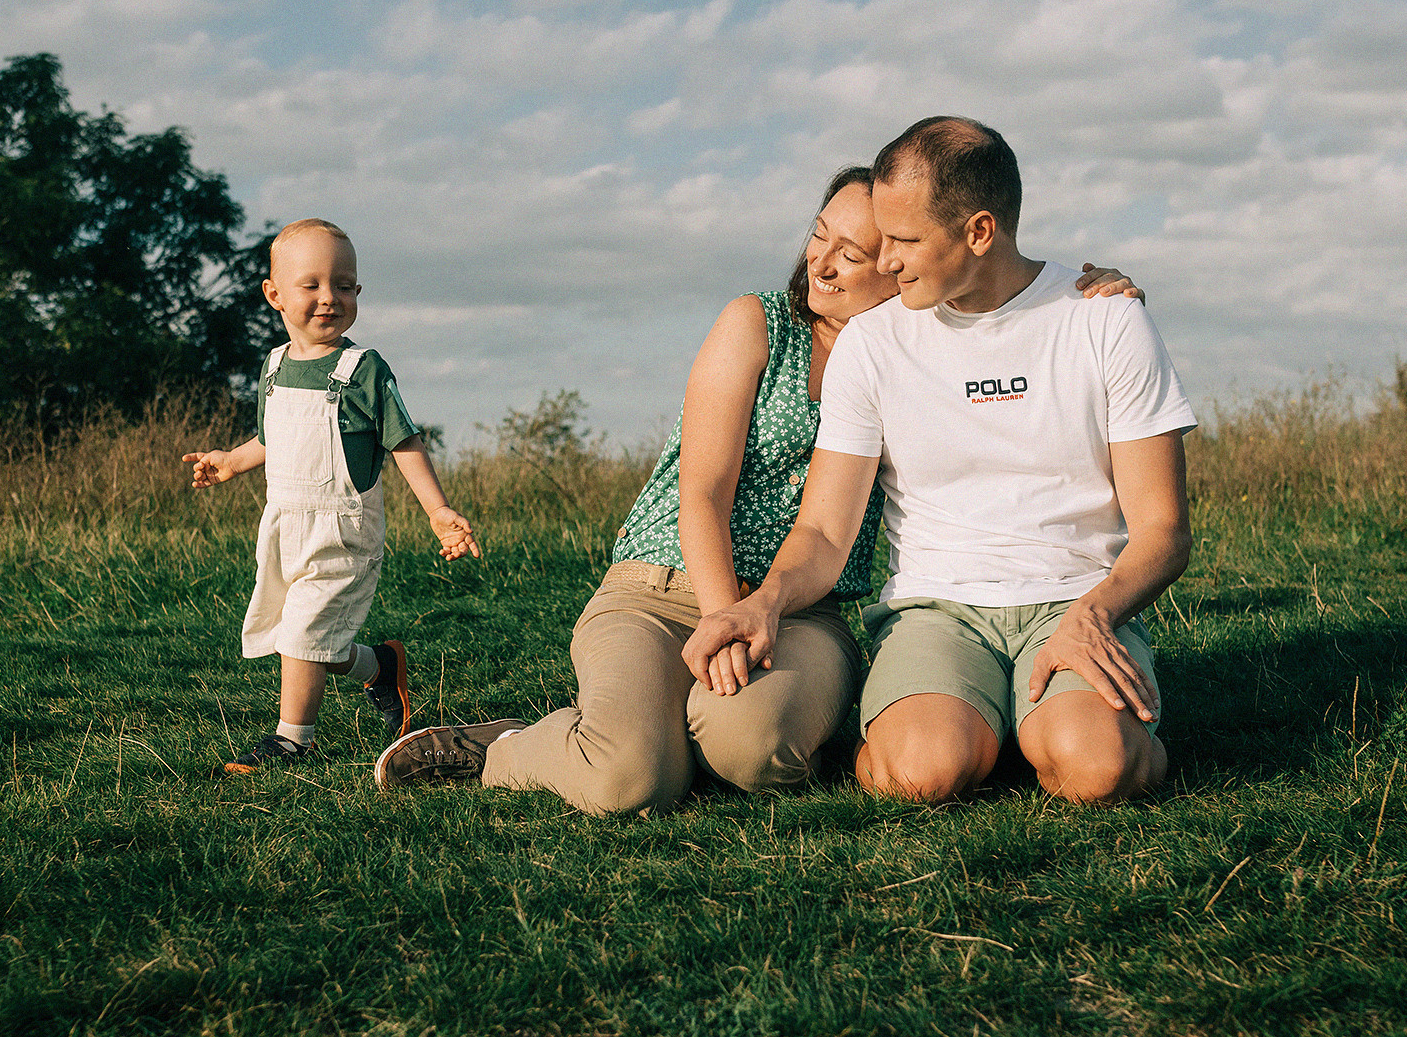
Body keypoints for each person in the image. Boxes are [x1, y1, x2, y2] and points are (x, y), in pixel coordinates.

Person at [371, 169, 1145, 813]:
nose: (824, 264)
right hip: (663, 587)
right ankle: (510, 744)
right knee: (631, 781)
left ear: (905, 265)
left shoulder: (916, 345)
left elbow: (1004, 309)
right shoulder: (758, 324)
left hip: (801, 609)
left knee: (749, 747)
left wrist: (1091, 291)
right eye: (819, 236)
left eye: (860, 252)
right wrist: (724, 618)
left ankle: (663, 729)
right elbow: (702, 491)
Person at [684, 117, 1195, 805]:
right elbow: (825, 533)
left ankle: (1066, 728)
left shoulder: (1104, 318)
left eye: (903, 240)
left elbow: (1163, 528)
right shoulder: (871, 345)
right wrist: (764, 603)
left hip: (1076, 599)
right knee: (922, 771)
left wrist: (1095, 614)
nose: (885, 260)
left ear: (979, 232)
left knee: (1097, 769)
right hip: (937, 610)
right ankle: (975, 724)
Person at [182, 218, 480, 773]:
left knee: (303, 632)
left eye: (344, 285)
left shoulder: (363, 369)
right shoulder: (274, 366)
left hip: (343, 527)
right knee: (306, 634)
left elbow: (404, 441)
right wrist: (232, 461)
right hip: (285, 525)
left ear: (358, 293)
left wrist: (439, 512)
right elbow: (274, 437)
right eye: (312, 285)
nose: (329, 298)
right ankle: (379, 668)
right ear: (274, 295)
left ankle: (292, 740)